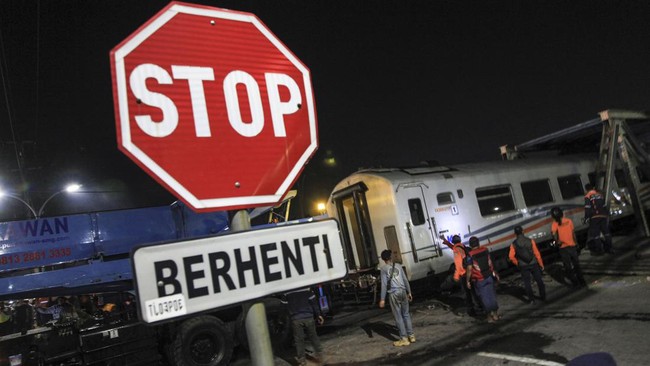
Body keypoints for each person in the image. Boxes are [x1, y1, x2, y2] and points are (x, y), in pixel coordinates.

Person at [379, 249, 415, 347]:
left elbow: (384, 285)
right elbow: (405, 280)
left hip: (394, 293)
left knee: (398, 316)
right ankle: (411, 336)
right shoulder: (398, 266)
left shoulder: (383, 269)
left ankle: (404, 338)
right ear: (390, 257)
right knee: (406, 314)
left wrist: (382, 299)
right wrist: (409, 292)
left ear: (383, 259)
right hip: (403, 291)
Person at [441, 235, 481, 315]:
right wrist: (445, 241)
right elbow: (452, 247)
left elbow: (458, 264)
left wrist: (456, 276)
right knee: (473, 291)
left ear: (453, 241)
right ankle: (480, 306)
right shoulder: (461, 246)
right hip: (469, 272)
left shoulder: (456, 249)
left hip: (463, 274)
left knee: (467, 293)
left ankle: (472, 310)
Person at [284, 287, 324, 365]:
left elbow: (283, 306)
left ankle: (302, 361)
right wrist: (319, 315)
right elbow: (314, 303)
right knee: (313, 337)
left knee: (299, 341)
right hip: (308, 317)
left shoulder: (286, 291)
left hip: (296, 319)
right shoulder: (307, 288)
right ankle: (320, 356)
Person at [466, 236, 500, 323]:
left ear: (470, 245)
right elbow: (490, 262)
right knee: (492, 296)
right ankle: (495, 315)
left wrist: (467, 281)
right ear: (478, 243)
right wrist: (495, 273)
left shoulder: (470, 255)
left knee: (484, 298)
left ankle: (489, 318)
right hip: (489, 276)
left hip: (479, 280)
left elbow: (469, 269)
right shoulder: (485, 250)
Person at [551, 207, 587, 288]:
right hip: (572, 246)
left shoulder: (554, 224)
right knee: (577, 265)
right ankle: (582, 282)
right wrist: (576, 243)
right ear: (561, 213)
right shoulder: (569, 221)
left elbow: (553, 235)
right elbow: (573, 233)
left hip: (563, 248)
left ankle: (575, 283)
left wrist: (557, 241)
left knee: (568, 267)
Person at [509, 226, 546, 304]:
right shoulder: (530, 241)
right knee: (539, 280)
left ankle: (531, 299)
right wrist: (541, 264)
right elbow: (537, 253)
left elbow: (511, 256)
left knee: (527, 283)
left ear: (515, 234)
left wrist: (517, 263)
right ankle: (543, 296)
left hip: (523, 266)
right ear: (523, 231)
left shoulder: (513, 244)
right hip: (533, 263)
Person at [584, 183, 614, 254]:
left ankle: (599, 250)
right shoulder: (600, 195)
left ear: (587, 189)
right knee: (606, 233)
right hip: (603, 216)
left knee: (596, 235)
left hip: (594, 217)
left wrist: (586, 218)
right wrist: (607, 214)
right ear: (593, 188)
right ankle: (609, 249)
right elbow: (604, 205)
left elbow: (587, 207)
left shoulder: (587, 196)